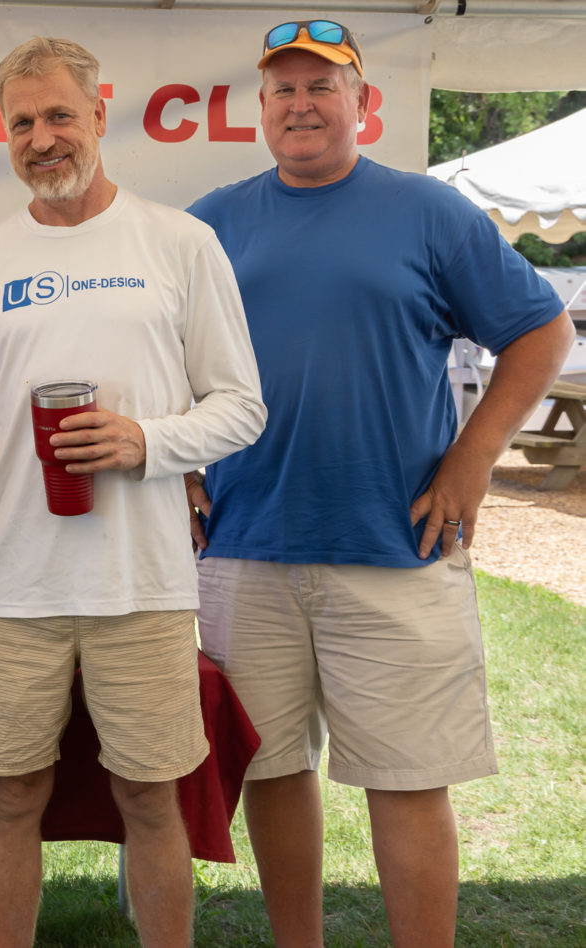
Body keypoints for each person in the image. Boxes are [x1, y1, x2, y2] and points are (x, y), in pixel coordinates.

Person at [185, 20, 575, 947]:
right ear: (262, 110)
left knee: (407, 778)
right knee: (271, 773)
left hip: (397, 544)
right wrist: (183, 469)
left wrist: (471, 459)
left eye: (323, 87)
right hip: (245, 545)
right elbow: (161, 357)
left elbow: (540, 333)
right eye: (283, 89)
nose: (301, 104)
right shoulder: (210, 223)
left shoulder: (428, 212)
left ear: (366, 104)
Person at [0, 37, 267, 948]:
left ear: (100, 117)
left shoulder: (180, 243)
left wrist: (147, 440)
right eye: (22, 121)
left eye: (60, 114)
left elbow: (242, 409)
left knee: (150, 796)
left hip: (141, 583)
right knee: (14, 793)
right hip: (12, 586)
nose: (42, 137)